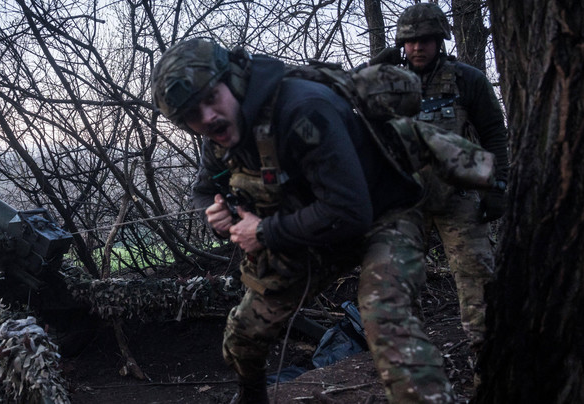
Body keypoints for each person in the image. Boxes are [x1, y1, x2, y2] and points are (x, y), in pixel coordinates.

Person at [152, 38, 456, 403]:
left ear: (233, 79)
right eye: (191, 114)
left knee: (385, 319)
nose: (206, 117)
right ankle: (252, 397)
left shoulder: (304, 107)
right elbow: (203, 190)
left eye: (210, 98)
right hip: (308, 232)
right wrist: (218, 213)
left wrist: (263, 231)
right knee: (243, 334)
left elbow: (350, 212)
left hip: (382, 217)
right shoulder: (218, 136)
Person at [384, 3, 510, 357]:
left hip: (458, 196)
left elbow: (493, 134)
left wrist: (498, 186)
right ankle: (411, 369)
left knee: (478, 287)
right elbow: (349, 108)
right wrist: (374, 67)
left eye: (425, 39)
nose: (417, 48)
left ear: (440, 39)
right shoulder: (388, 82)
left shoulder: (466, 79)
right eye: (409, 41)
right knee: (396, 287)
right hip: (405, 200)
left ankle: (487, 365)